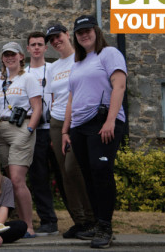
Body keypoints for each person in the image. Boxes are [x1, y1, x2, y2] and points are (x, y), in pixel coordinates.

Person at [62, 15, 127, 249]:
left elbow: (119, 85)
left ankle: (105, 226)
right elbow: (71, 98)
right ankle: (98, 224)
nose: (84, 35)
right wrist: (65, 131)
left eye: (87, 30)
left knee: (101, 170)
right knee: (88, 176)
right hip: (79, 127)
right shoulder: (77, 64)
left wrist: (110, 120)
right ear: (76, 37)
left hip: (102, 120)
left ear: (96, 31)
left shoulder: (109, 54)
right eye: (79, 32)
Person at [44, 24, 96, 239]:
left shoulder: (82, 58)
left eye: (59, 36)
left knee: (74, 168)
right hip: (57, 121)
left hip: (78, 119)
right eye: (52, 39)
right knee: (64, 173)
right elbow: (51, 97)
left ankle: (93, 219)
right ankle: (79, 221)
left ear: (67, 35)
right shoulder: (52, 67)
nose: (56, 41)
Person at [0, 41, 42, 237]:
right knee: (10, 180)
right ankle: (20, 224)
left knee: (17, 178)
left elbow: (37, 107)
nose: (9, 58)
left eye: (13, 54)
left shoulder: (28, 78)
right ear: (2, 58)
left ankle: (28, 226)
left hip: (21, 128)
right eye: (6, 55)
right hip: (0, 129)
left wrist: (30, 129)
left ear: (21, 56)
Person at [25, 31, 62, 236]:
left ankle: (82, 220)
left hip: (55, 127)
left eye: (40, 44)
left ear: (46, 48)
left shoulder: (54, 69)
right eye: (33, 44)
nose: (37, 47)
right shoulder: (24, 72)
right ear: (28, 49)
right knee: (39, 177)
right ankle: (48, 220)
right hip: (35, 130)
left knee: (64, 175)